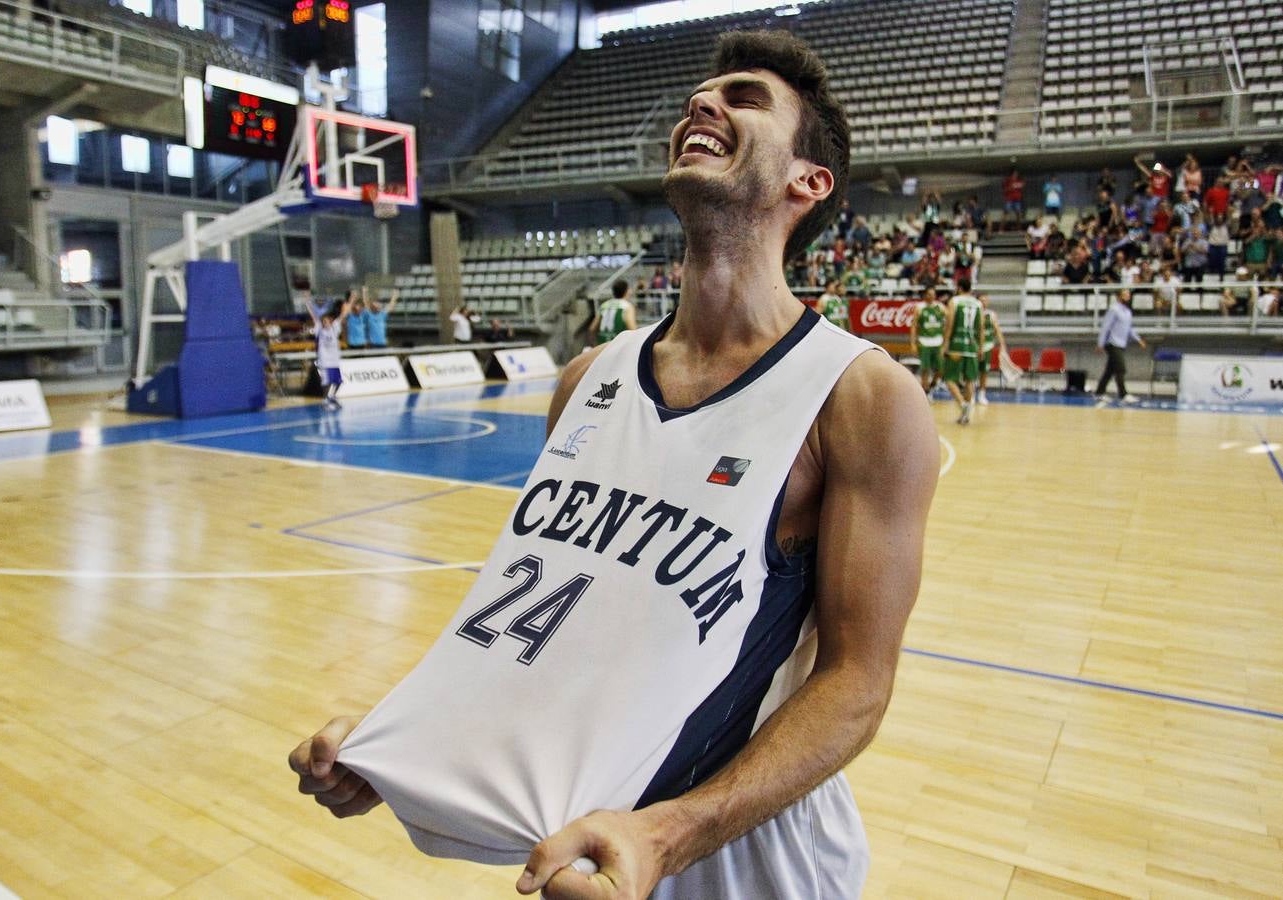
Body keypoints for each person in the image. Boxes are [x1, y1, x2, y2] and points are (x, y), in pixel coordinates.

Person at [288, 29, 938, 900]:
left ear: (806, 182)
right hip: (585, 846)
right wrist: (404, 742)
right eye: (696, 98)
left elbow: (858, 683)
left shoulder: (859, 394)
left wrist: (670, 833)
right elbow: (550, 611)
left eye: (742, 98)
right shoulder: (587, 378)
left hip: (738, 844)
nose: (701, 105)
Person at [940, 277, 984, 425]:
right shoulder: (978, 304)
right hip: (972, 346)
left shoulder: (955, 301)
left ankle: (963, 404)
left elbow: (950, 323)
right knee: (969, 379)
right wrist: (981, 347)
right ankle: (966, 414)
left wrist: (945, 343)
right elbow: (981, 328)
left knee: (949, 378)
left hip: (956, 346)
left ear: (959, 287)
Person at [1094, 288, 1146, 404]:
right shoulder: (1114, 309)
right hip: (1112, 343)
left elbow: (1129, 329)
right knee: (1120, 369)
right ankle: (1123, 395)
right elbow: (1105, 327)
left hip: (1122, 344)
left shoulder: (1127, 312)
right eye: (1125, 295)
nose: (1127, 297)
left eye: (1128, 295)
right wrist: (1100, 343)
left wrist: (1138, 339)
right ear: (1118, 296)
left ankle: (1099, 393)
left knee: (1110, 370)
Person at [909, 287, 947, 399]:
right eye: (929, 294)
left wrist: (946, 335)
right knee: (925, 369)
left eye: (933, 294)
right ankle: (925, 393)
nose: (931, 296)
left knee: (941, 369)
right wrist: (913, 343)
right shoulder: (919, 307)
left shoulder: (940, 307)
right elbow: (914, 326)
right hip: (924, 341)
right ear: (925, 295)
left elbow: (949, 320)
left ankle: (931, 386)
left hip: (938, 342)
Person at [307, 298, 344, 409]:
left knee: (338, 382)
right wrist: (308, 303)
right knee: (326, 382)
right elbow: (314, 317)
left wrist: (349, 302)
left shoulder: (335, 328)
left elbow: (342, 316)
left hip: (334, 361)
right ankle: (325, 400)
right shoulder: (319, 329)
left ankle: (332, 396)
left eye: (327, 320)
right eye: (324, 321)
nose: (325, 322)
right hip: (324, 361)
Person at [975, 293, 1005, 406]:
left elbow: (997, 329)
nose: (984, 302)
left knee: (984, 371)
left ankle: (982, 394)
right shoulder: (974, 313)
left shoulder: (991, 314)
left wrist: (1002, 344)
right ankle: (971, 394)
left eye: (985, 300)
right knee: (972, 373)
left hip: (987, 346)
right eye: (981, 300)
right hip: (975, 346)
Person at [591, 279, 638, 344]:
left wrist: (594, 343)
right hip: (618, 347)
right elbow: (633, 330)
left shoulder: (604, 305)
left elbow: (592, 328)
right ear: (626, 291)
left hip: (603, 346)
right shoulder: (627, 306)